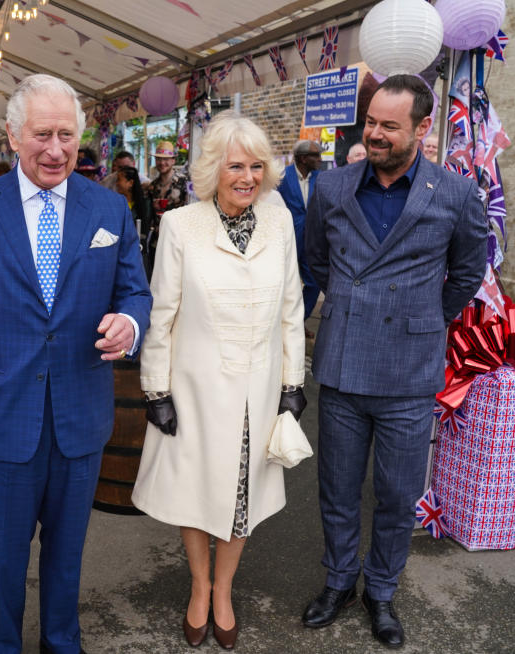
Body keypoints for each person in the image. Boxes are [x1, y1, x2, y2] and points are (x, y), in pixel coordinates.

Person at [0, 73, 151, 654]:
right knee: (2, 561)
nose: (55, 150)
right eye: (41, 135)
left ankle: (63, 643)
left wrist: (129, 323)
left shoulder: (108, 208)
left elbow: (135, 292)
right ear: (12, 135)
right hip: (0, 413)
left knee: (67, 557)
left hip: (80, 414)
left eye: (66, 135)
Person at [302, 74, 486, 649]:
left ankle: (381, 591)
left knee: (397, 492)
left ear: (423, 128)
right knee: (336, 486)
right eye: (370, 123)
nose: (374, 134)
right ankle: (338, 581)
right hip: (343, 364)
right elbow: (317, 264)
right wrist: (356, 305)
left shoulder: (455, 196)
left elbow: (466, 276)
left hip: (409, 371)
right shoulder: (331, 187)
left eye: (388, 126)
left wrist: (419, 316)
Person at [131, 110, 306, 651]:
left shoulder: (279, 225)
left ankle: (223, 590)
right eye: (236, 166)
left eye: (257, 166)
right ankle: (199, 587)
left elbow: (293, 308)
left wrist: (293, 381)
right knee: (195, 491)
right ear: (214, 169)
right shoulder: (183, 225)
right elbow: (162, 313)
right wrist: (156, 389)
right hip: (196, 387)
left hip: (258, 387)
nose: (248, 177)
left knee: (240, 497)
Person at [277, 139, 321, 322]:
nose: (320, 159)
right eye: (315, 155)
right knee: (284, 285)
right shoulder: (281, 178)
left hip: (311, 240)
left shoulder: (321, 178)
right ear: (303, 158)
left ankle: (298, 321)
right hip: (287, 240)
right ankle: (279, 323)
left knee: (314, 282)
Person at [144, 140, 189, 267]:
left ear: (173, 160)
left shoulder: (184, 182)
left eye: (166, 159)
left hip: (179, 239)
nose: (162, 163)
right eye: (158, 159)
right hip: (157, 241)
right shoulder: (152, 186)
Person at [114, 166, 154, 276]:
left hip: (138, 254)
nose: (116, 183)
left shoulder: (144, 204)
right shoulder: (116, 203)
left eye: (119, 180)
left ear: (130, 182)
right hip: (119, 254)